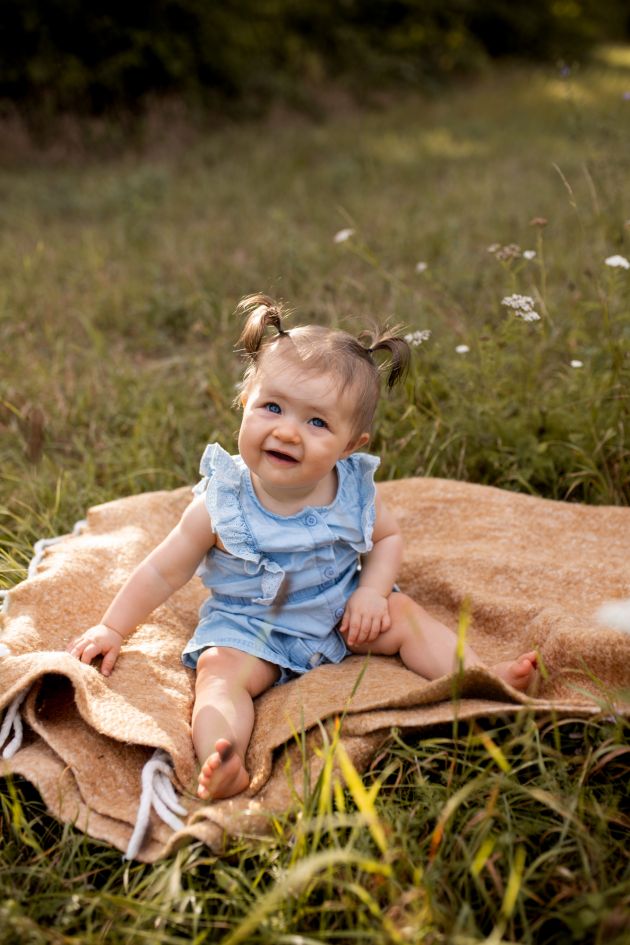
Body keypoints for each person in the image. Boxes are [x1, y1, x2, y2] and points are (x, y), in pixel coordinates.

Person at [69, 294, 537, 801]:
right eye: (272, 407)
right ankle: (222, 757)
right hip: (251, 628)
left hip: (342, 612)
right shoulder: (221, 504)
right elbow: (163, 571)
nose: (288, 432)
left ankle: (478, 679)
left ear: (350, 445)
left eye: (317, 423)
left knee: (406, 615)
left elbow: (387, 538)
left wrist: (372, 593)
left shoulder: (353, 489)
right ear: (245, 404)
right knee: (218, 674)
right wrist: (112, 627)